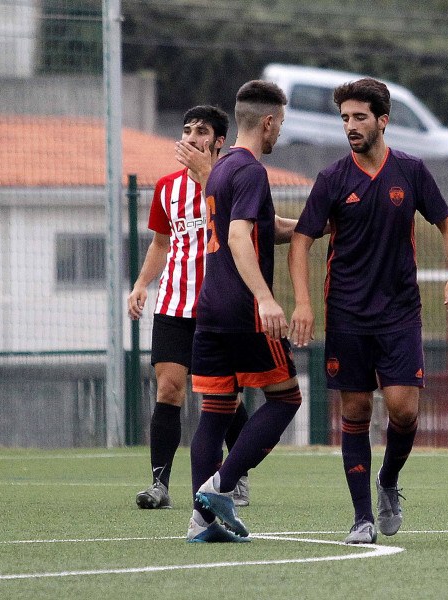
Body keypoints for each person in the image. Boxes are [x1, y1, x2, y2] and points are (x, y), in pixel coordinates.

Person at [289, 77, 448, 544]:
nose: (350, 126)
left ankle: (388, 481)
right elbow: (302, 240)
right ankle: (362, 517)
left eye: (359, 117)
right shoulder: (332, 178)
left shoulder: (410, 170)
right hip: (346, 312)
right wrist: (303, 302)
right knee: (356, 408)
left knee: (404, 411)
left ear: (382, 121)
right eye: (344, 118)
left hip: (400, 312)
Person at [187, 80, 303, 543]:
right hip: (243, 309)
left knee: (214, 413)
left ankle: (201, 523)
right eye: (280, 126)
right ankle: (220, 489)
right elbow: (239, 238)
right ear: (269, 122)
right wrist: (266, 298)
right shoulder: (252, 171)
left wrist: (315, 225)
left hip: (210, 308)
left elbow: (263, 228)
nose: (278, 135)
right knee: (286, 398)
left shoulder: (219, 170)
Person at [128, 105, 251, 510]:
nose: (191, 137)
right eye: (186, 129)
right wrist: (141, 284)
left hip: (217, 305)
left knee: (223, 395)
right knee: (168, 388)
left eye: (201, 131)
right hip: (173, 306)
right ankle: (160, 485)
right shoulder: (166, 187)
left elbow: (251, 229)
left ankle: (236, 474)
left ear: (219, 141)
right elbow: (162, 244)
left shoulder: (231, 181)